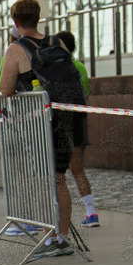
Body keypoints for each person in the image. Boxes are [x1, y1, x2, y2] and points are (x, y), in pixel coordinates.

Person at [0, 0, 75, 257]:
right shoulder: (58, 43)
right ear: (38, 17)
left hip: (38, 125)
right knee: (59, 180)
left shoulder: (16, 49)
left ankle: (50, 239)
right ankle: (61, 238)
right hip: (64, 119)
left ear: (15, 21)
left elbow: (6, 89)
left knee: (44, 182)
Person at [55, 30, 99, 227]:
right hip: (80, 120)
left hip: (64, 124)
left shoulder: (60, 67)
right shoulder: (80, 66)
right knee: (77, 168)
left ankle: (59, 219)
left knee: (58, 175)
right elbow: (86, 93)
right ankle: (91, 212)